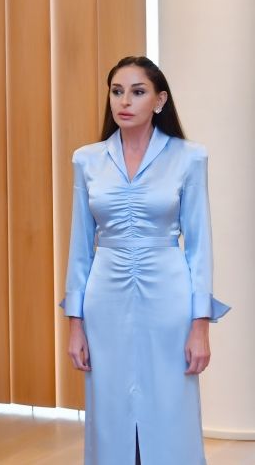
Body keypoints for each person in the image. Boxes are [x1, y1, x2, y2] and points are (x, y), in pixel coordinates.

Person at [61, 56, 230, 464]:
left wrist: (200, 326)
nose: (125, 101)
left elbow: (199, 247)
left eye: (138, 92)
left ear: (159, 100)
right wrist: (75, 325)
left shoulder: (189, 157)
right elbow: (80, 247)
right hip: (105, 301)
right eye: (117, 91)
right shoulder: (87, 159)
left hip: (169, 299)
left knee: (170, 408)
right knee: (110, 409)